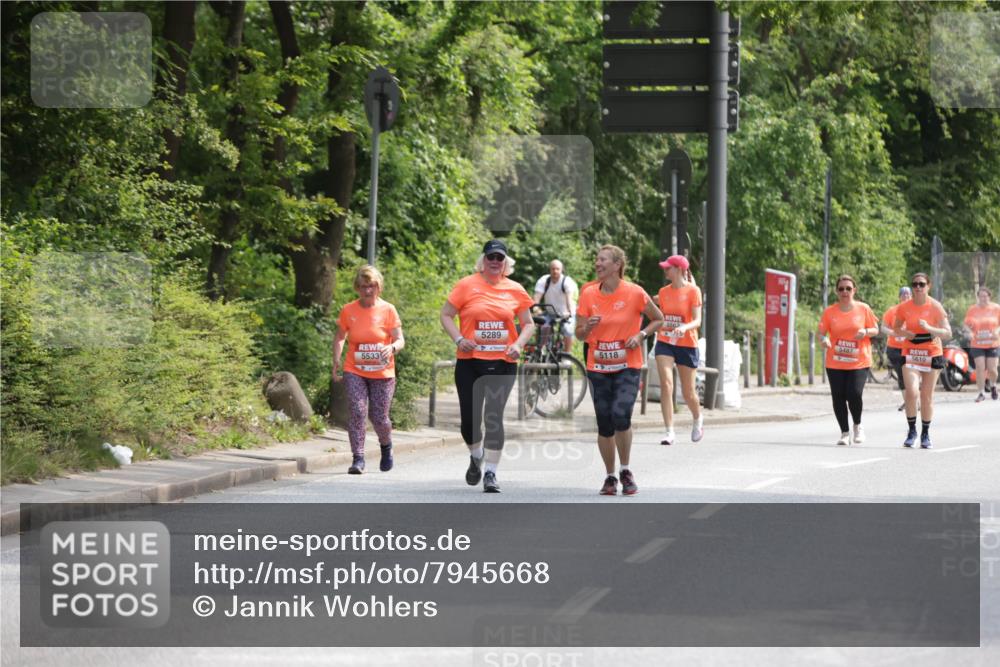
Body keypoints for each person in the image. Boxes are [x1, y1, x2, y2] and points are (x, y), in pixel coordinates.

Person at [440, 239, 535, 493]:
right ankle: (476, 455)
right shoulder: (466, 285)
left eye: (499, 258)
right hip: (470, 362)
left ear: (506, 263)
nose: (495, 262)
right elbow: (446, 314)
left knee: (493, 417)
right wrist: (459, 339)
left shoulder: (515, 289)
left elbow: (528, 323)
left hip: (503, 362)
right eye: (491, 257)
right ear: (483, 260)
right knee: (469, 422)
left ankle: (491, 473)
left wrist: (519, 345)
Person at [576, 245, 663, 496]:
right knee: (604, 423)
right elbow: (580, 334)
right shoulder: (589, 294)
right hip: (598, 366)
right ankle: (610, 476)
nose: (597, 263)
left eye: (602, 260)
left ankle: (626, 470)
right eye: (597, 259)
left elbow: (658, 318)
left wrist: (641, 334)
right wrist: (588, 328)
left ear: (617, 265)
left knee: (620, 415)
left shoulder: (635, 292)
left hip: (627, 365)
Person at [332, 265, 404, 474]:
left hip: (383, 372)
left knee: (379, 417)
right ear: (357, 288)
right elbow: (340, 337)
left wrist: (391, 347)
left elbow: (400, 339)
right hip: (354, 369)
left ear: (379, 287)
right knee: (357, 411)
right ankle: (358, 458)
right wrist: (336, 359)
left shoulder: (388, 310)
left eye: (372, 286)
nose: (368, 291)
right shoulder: (348, 310)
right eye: (363, 287)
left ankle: (386, 445)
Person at [818, 275, 880, 446]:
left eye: (848, 288)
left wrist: (865, 332)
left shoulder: (863, 309)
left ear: (854, 290)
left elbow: (876, 329)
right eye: (841, 289)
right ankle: (844, 433)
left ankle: (857, 426)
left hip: (859, 360)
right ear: (837, 291)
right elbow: (821, 332)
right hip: (835, 361)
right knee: (838, 397)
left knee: (854, 393)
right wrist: (824, 340)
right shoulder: (830, 312)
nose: (844, 292)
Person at [893, 272, 952, 449]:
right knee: (911, 392)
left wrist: (930, 328)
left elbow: (948, 332)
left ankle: (925, 433)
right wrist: (905, 333)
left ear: (928, 286)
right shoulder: (904, 307)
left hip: (932, 352)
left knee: (926, 396)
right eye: (915, 284)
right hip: (910, 351)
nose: (918, 288)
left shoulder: (935, 306)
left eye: (921, 284)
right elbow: (896, 328)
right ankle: (912, 431)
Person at [654, 254, 704, 445]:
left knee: (688, 393)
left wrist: (684, 327)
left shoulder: (693, 291)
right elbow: (658, 309)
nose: (665, 270)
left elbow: (697, 320)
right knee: (666, 385)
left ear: (679, 270)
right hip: (665, 341)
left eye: (668, 268)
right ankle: (669, 431)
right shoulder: (664, 292)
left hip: (687, 343)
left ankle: (698, 418)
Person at [533, 259, 579, 353]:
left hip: (565, 311)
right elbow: (536, 299)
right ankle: (540, 351)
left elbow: (569, 300)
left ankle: (567, 355)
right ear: (550, 270)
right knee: (541, 325)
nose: (555, 271)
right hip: (550, 312)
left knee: (567, 330)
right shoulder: (544, 281)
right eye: (553, 269)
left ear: (562, 270)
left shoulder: (567, 282)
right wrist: (536, 309)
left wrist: (569, 312)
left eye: (557, 269)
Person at [963, 286, 1000, 402]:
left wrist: (997, 331)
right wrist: (969, 333)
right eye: (981, 296)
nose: (983, 298)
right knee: (980, 367)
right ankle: (981, 392)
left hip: (992, 342)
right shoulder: (972, 309)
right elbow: (965, 325)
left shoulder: (996, 308)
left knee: (992, 369)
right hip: (977, 343)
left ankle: (993, 385)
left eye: (985, 296)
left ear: (989, 297)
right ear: (978, 297)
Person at [881, 286, 912, 410]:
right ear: (899, 297)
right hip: (894, 348)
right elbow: (883, 327)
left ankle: (914, 400)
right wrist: (893, 333)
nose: (905, 297)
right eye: (903, 295)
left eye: (908, 294)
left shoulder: (914, 311)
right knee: (901, 374)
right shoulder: (892, 311)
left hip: (910, 348)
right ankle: (908, 401)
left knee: (912, 375)